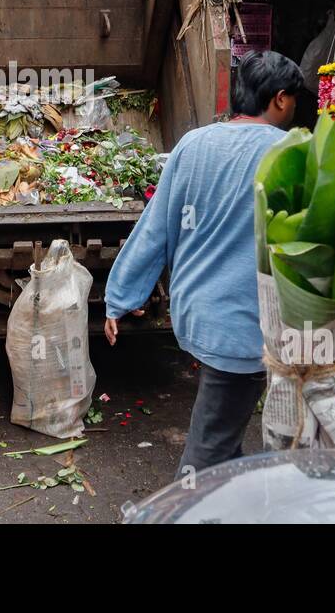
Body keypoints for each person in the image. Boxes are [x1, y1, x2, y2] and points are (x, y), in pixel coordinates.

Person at [103, 50, 306, 475]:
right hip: (244, 327)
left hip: (196, 314)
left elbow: (155, 228)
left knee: (224, 428)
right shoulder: (294, 152)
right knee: (206, 453)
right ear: (281, 99)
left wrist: (120, 296)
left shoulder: (193, 144)